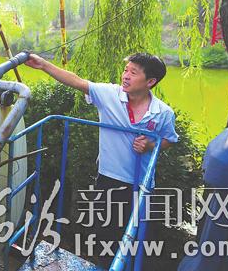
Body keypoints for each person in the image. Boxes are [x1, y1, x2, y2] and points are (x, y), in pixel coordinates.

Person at [25, 52, 178, 268]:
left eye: (133, 73)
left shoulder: (163, 113)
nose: (125, 76)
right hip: (109, 179)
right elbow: (77, 81)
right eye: (125, 70)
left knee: (138, 239)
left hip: (142, 185)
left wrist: (150, 146)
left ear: (150, 81)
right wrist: (43, 65)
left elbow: (169, 140)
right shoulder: (110, 95)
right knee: (106, 237)